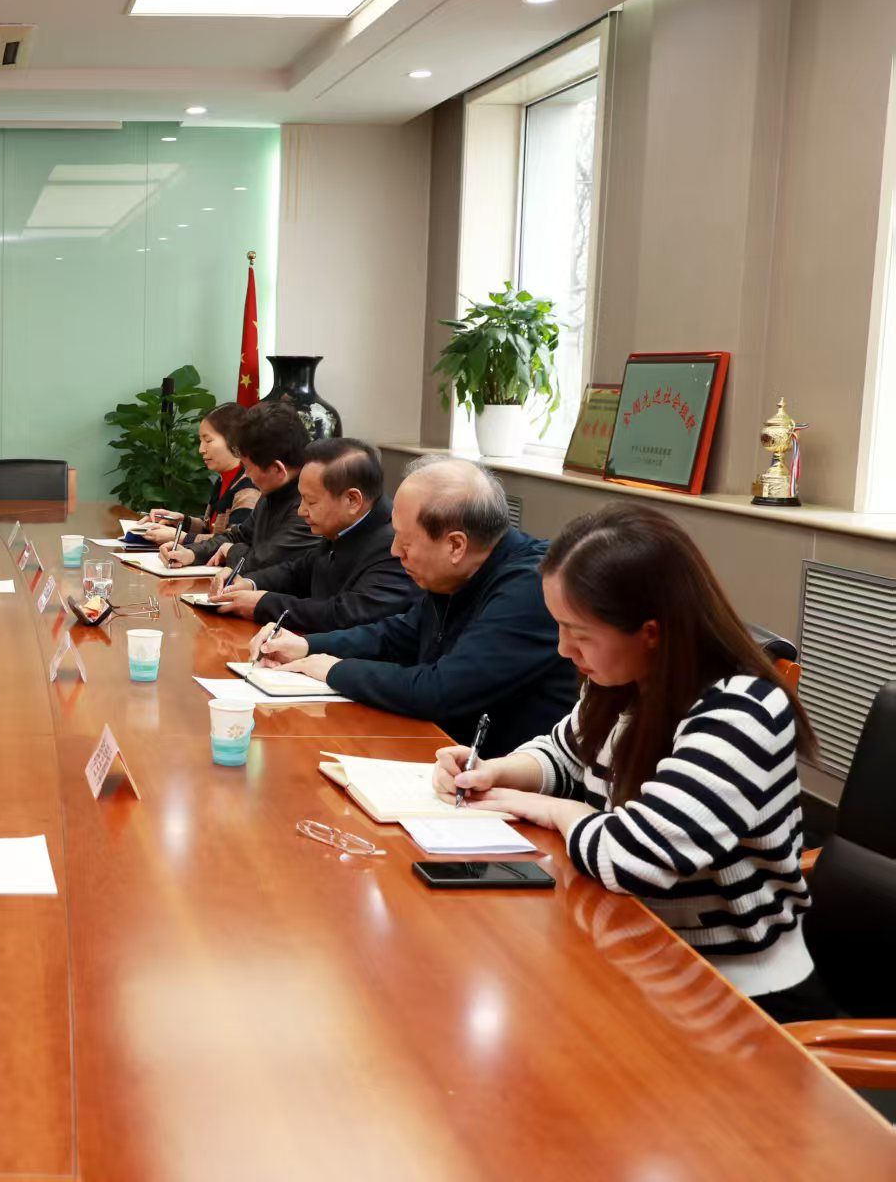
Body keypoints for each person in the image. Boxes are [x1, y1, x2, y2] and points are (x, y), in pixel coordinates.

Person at [431, 504, 827, 1021]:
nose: (563, 649)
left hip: (735, 990)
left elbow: (634, 858)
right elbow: (565, 752)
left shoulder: (741, 712)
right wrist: (499, 770)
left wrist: (554, 810)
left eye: (579, 633)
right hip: (637, 951)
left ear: (651, 632)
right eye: (559, 626)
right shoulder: (622, 682)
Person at [254, 454, 577, 754]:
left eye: (405, 541)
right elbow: (400, 634)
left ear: (455, 545)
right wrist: (307, 645)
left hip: (501, 775)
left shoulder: (532, 587)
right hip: (444, 752)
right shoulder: (459, 570)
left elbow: (442, 690)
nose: (395, 551)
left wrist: (333, 669)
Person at [210, 437, 418, 633]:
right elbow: (299, 571)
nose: (301, 511)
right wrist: (249, 582)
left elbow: (348, 614)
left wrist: (263, 603)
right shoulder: (345, 525)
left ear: (352, 500)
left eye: (311, 501)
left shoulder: (395, 545)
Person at [160, 402, 318, 573]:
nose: (247, 475)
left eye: (248, 468)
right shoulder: (272, 492)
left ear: (277, 469)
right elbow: (238, 535)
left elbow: (265, 561)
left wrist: (230, 551)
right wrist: (192, 553)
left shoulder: (309, 506)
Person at [139, 402, 252, 546]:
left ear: (235, 440)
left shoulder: (249, 487)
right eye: (200, 441)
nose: (201, 450)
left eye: (208, 440)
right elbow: (209, 528)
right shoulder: (223, 479)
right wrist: (179, 520)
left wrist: (181, 537)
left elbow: (234, 542)